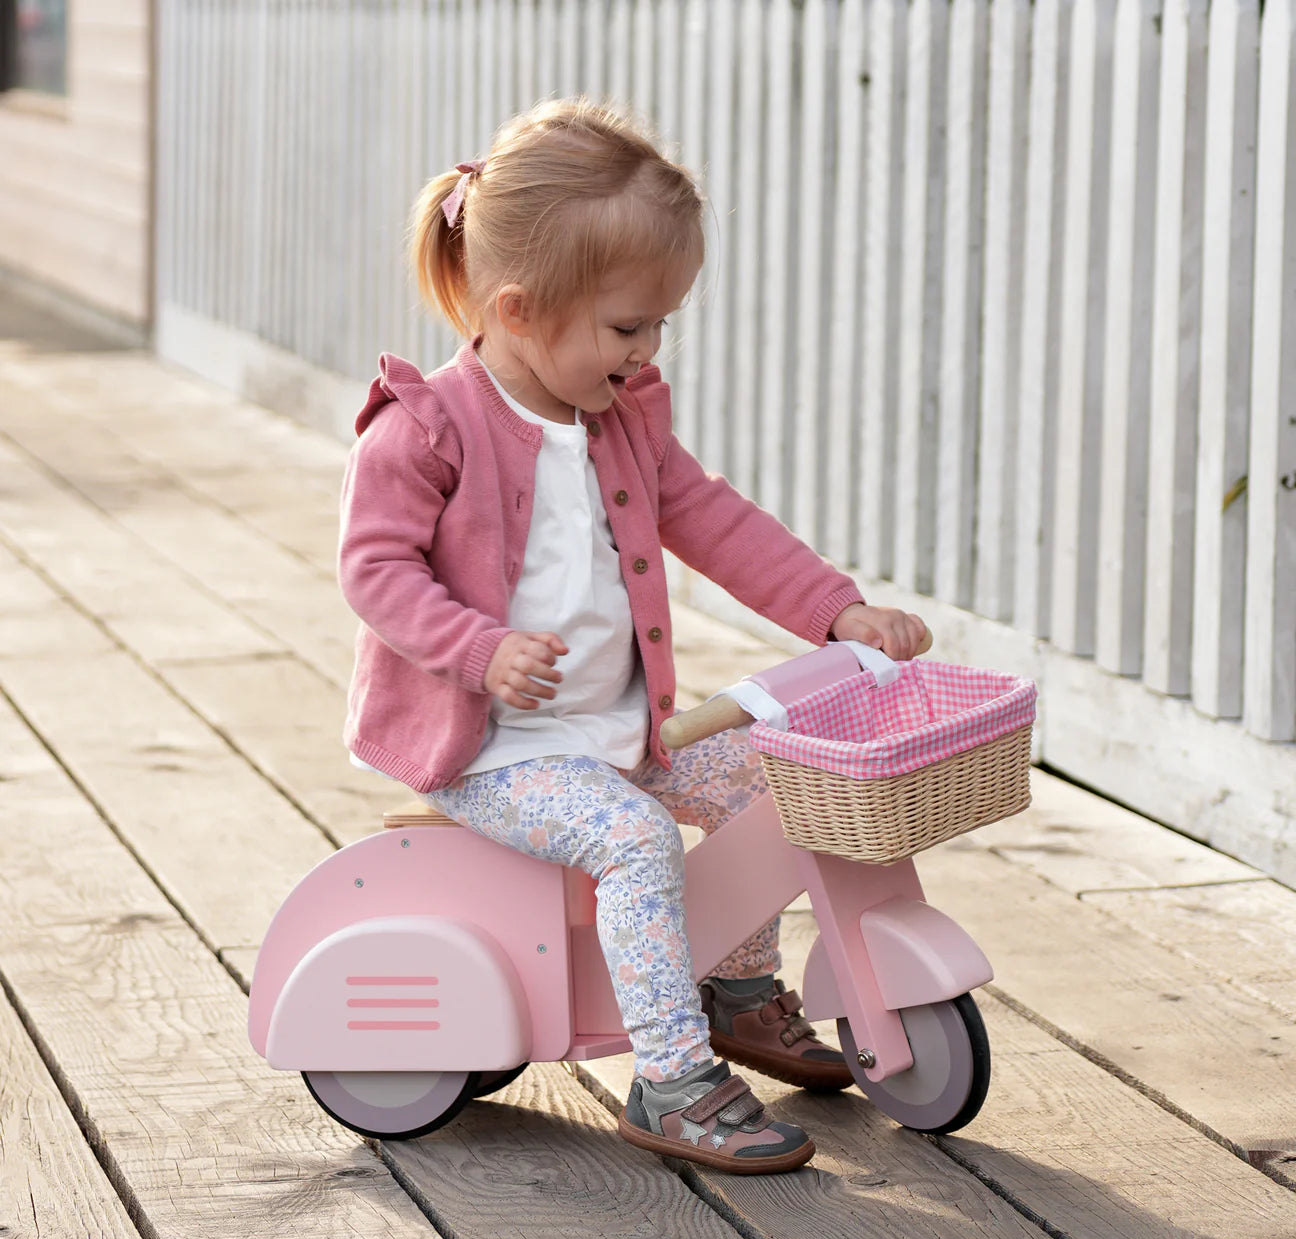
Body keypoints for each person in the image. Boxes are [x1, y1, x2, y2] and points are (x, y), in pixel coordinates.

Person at [338, 98, 927, 1174]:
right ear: (519, 310)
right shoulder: (428, 427)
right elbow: (372, 572)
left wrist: (836, 608)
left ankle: (738, 989)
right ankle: (671, 1077)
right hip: (496, 753)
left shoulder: (625, 416)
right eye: (627, 327)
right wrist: (477, 649)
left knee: (774, 775)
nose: (650, 348)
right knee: (635, 839)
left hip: (619, 729)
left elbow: (713, 517)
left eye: (661, 322)